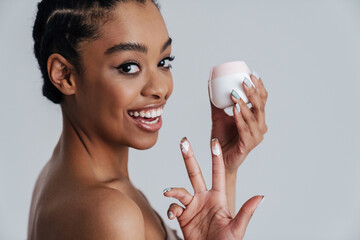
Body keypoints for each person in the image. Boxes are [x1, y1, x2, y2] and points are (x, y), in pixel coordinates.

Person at [27, 0, 269, 239]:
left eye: (164, 62)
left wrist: (225, 169)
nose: (161, 88)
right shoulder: (110, 214)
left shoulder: (64, 179)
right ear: (64, 75)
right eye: (129, 67)